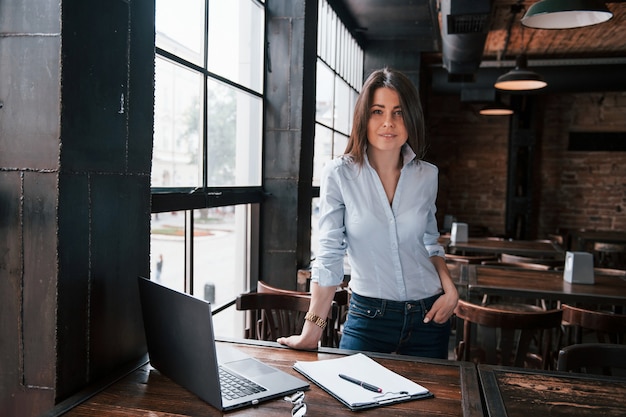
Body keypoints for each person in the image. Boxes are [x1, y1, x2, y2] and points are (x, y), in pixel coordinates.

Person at [277, 67, 458, 359]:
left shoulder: (427, 175)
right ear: (364, 116)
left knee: (429, 406)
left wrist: (450, 291)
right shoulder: (339, 174)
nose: (388, 122)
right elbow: (329, 255)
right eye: (378, 111)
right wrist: (312, 332)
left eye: (398, 112)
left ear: (411, 118)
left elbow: (429, 242)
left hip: (429, 316)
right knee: (349, 402)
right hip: (369, 317)